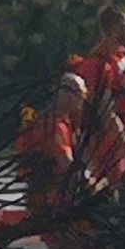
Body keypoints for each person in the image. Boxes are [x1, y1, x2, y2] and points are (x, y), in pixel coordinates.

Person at [69, 7, 125, 184]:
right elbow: (105, 112)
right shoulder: (97, 64)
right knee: (118, 190)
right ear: (115, 29)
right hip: (109, 142)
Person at [14, 73, 91, 214]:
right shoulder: (55, 126)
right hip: (51, 199)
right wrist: (92, 183)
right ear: (70, 95)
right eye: (82, 96)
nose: (82, 102)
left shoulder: (60, 121)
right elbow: (67, 165)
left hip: (47, 194)